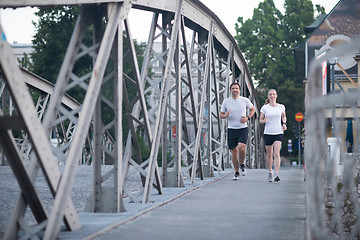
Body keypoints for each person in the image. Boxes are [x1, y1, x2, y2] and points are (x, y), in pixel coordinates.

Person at [220, 82, 256, 180]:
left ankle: (242, 164)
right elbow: (221, 114)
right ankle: (236, 172)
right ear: (230, 90)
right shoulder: (226, 101)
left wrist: (248, 118)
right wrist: (226, 115)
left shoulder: (244, 100)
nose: (235, 90)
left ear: (239, 90)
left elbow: (253, 109)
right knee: (234, 151)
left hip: (242, 128)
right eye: (233, 88)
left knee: (241, 147)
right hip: (231, 129)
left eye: (236, 88)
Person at [259, 89, 287, 183]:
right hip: (268, 133)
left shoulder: (281, 107)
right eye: (270, 94)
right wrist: (264, 121)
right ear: (268, 96)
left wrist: (284, 123)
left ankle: (277, 174)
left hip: (278, 132)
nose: (272, 96)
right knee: (270, 154)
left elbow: (283, 116)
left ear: (276, 95)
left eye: (273, 94)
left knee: (276, 153)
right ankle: (270, 171)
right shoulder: (264, 108)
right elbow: (260, 120)